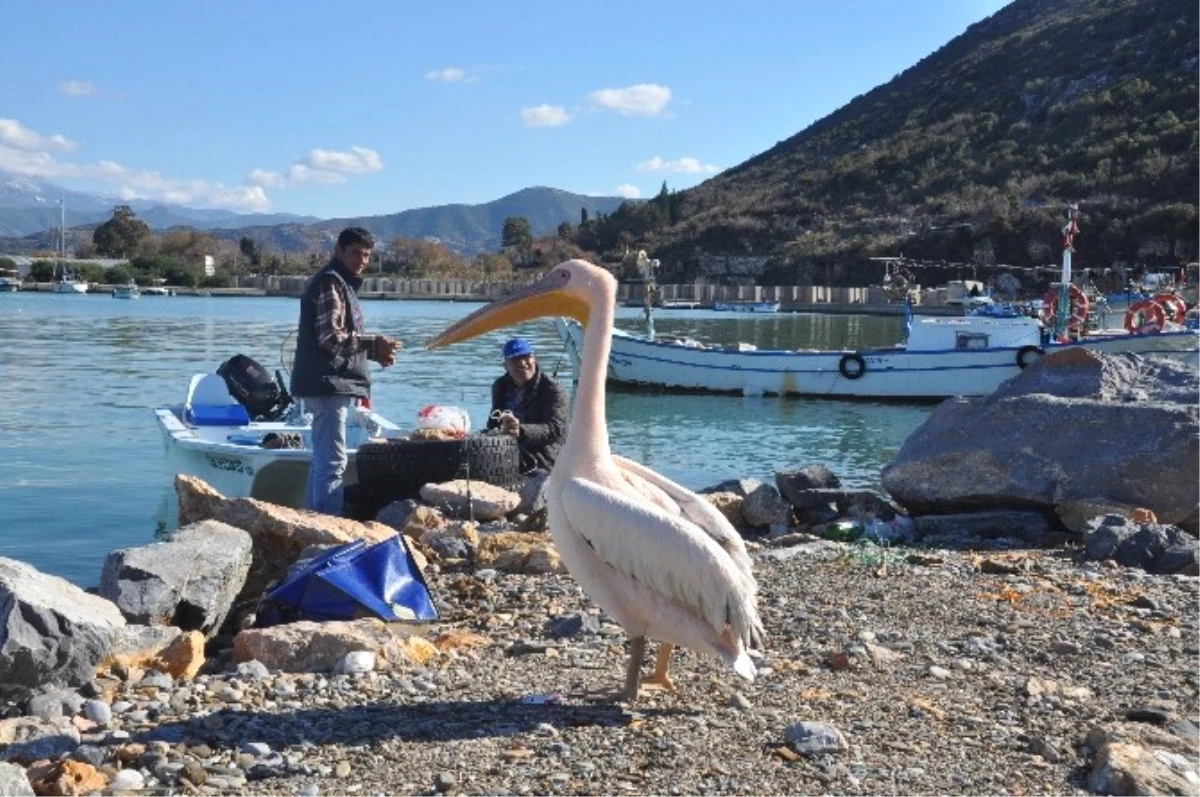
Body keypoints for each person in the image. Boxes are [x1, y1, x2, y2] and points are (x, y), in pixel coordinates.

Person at [290, 227, 402, 516]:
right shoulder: (331, 282)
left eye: (366, 255)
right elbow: (331, 338)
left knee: (323, 460)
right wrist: (373, 345)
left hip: (327, 383)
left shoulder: (341, 283)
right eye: (355, 253)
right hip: (327, 386)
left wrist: (374, 351)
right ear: (339, 251)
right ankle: (327, 530)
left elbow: (336, 339)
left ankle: (312, 521)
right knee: (332, 462)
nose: (361, 260)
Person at [486, 337, 568, 473]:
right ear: (505, 365)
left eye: (526, 357)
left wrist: (521, 430)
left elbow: (556, 429)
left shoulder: (552, 388)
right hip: (510, 448)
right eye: (515, 359)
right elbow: (493, 423)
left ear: (534, 359)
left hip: (546, 453)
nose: (522, 363)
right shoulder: (500, 386)